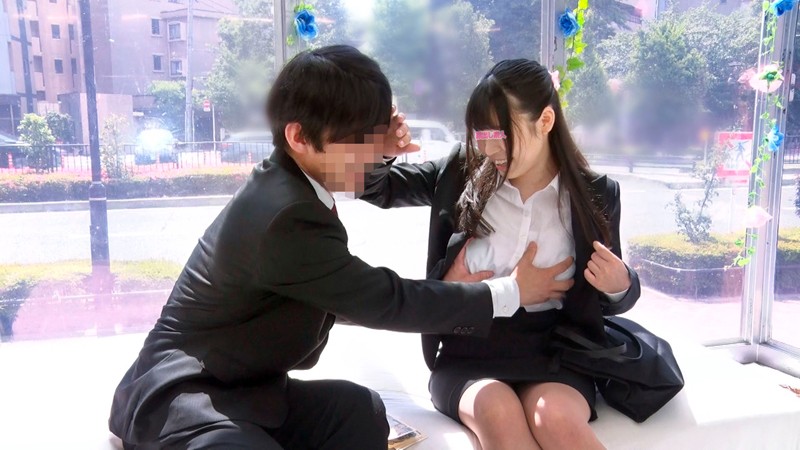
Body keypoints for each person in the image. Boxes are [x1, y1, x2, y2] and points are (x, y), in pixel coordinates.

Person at [108, 46, 563, 450]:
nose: (373, 154)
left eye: (375, 135)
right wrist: (509, 292)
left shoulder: (293, 183)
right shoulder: (283, 214)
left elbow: (356, 256)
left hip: (250, 390)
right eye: (360, 141)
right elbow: (383, 300)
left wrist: (380, 147)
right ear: (299, 137)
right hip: (184, 395)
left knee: (360, 411)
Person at [361, 59, 641, 449]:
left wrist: (620, 284)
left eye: (501, 134)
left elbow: (608, 296)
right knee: (497, 408)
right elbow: (375, 188)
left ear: (545, 121)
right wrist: (380, 149)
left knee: (555, 417)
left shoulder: (595, 194)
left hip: (555, 354)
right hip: (468, 351)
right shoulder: (460, 171)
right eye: (482, 134)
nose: (489, 148)